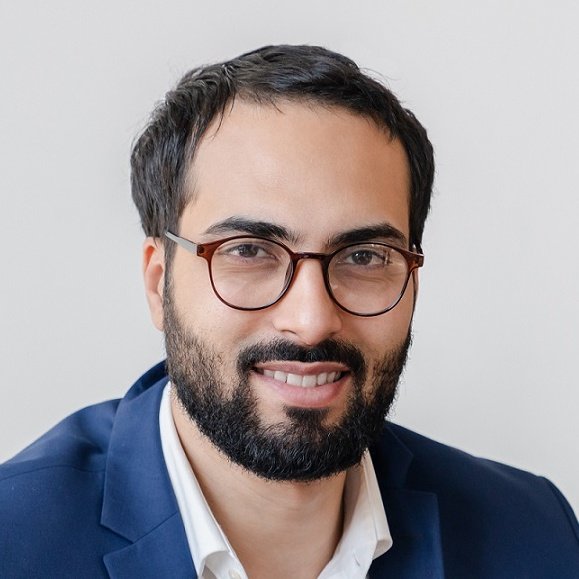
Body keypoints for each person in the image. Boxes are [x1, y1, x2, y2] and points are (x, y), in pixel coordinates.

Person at [0, 45, 577, 579]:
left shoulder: (535, 534)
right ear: (159, 284)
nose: (311, 320)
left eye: (364, 256)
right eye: (249, 251)